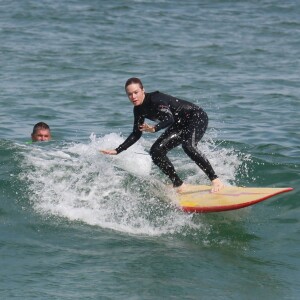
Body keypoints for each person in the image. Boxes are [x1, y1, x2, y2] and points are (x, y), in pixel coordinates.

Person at [101, 77, 224, 193]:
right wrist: (118, 150)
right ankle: (178, 184)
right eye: (129, 94)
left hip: (196, 117)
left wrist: (154, 128)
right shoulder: (138, 110)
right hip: (179, 124)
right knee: (156, 151)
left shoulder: (156, 99)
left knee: (188, 146)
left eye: (136, 92)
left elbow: (169, 118)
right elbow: (136, 133)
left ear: (143, 90)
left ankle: (216, 180)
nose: (133, 96)